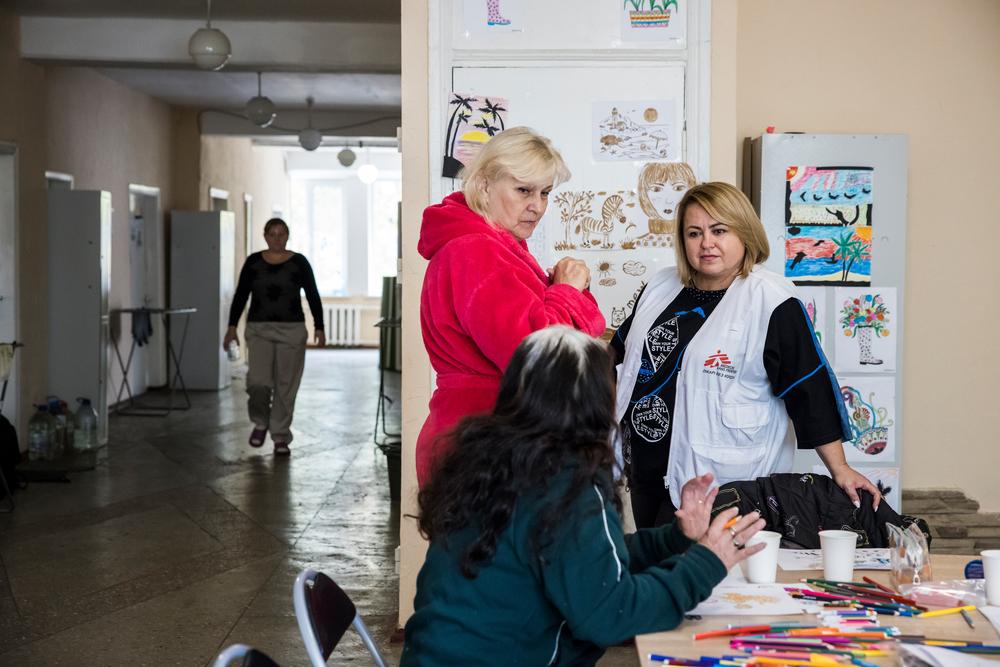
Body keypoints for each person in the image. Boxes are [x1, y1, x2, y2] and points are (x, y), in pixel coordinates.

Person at [401, 327, 765, 666]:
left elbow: (579, 559)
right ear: (594, 406)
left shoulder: (485, 460)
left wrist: (675, 539)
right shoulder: (567, 483)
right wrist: (707, 562)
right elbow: (611, 615)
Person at [613, 182, 881, 529]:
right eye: (694, 233)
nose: (706, 243)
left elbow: (808, 387)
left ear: (744, 232)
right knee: (657, 571)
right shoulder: (661, 287)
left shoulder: (771, 300)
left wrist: (840, 468)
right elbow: (620, 356)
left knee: (701, 577)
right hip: (647, 472)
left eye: (719, 230)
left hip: (722, 483)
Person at [416, 127, 605, 486]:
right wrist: (566, 291)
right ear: (485, 185)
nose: (537, 206)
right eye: (524, 190)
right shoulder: (476, 250)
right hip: (486, 445)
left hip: (489, 438)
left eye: (545, 192)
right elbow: (538, 358)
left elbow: (578, 336)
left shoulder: (498, 247)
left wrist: (567, 293)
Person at [223, 218, 325, 456]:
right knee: (258, 382)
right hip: (259, 329)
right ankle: (260, 421)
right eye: (272, 234)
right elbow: (240, 295)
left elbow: (312, 294)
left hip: (292, 330)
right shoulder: (253, 263)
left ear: (288, 235)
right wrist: (231, 327)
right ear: (265, 236)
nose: (277, 238)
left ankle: (280, 436)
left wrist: (319, 326)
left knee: (286, 385)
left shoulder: (299, 262)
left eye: (281, 234)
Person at [633, 161, 697, 248]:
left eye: (678, 188)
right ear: (644, 193)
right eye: (656, 189)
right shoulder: (638, 245)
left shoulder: (697, 242)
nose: (668, 200)